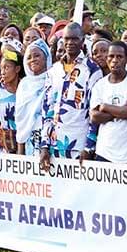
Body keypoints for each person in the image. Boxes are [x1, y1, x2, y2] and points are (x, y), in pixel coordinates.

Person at [39, 23, 103, 167]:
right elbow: (47, 109)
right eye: (67, 39)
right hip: (53, 146)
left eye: (75, 39)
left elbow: (95, 111)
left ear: (82, 40)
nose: (70, 43)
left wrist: (88, 147)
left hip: (78, 145)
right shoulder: (54, 70)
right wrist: (44, 145)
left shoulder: (92, 70)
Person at [87, 42, 127, 163]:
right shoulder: (100, 84)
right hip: (103, 153)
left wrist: (105, 107)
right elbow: (94, 117)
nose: (114, 60)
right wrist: (122, 110)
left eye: (119, 57)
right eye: (111, 56)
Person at [0, 49, 24, 173]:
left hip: (22, 147)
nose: (3, 72)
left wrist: (21, 152)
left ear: (17, 69)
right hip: (0, 149)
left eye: (7, 67)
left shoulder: (25, 90)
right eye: (1, 68)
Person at [15, 39, 52, 156]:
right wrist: (20, 150)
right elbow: (20, 118)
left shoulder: (53, 80)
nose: (32, 60)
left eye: (37, 55)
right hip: (28, 142)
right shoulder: (24, 84)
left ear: (46, 57)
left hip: (49, 140)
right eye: (29, 57)